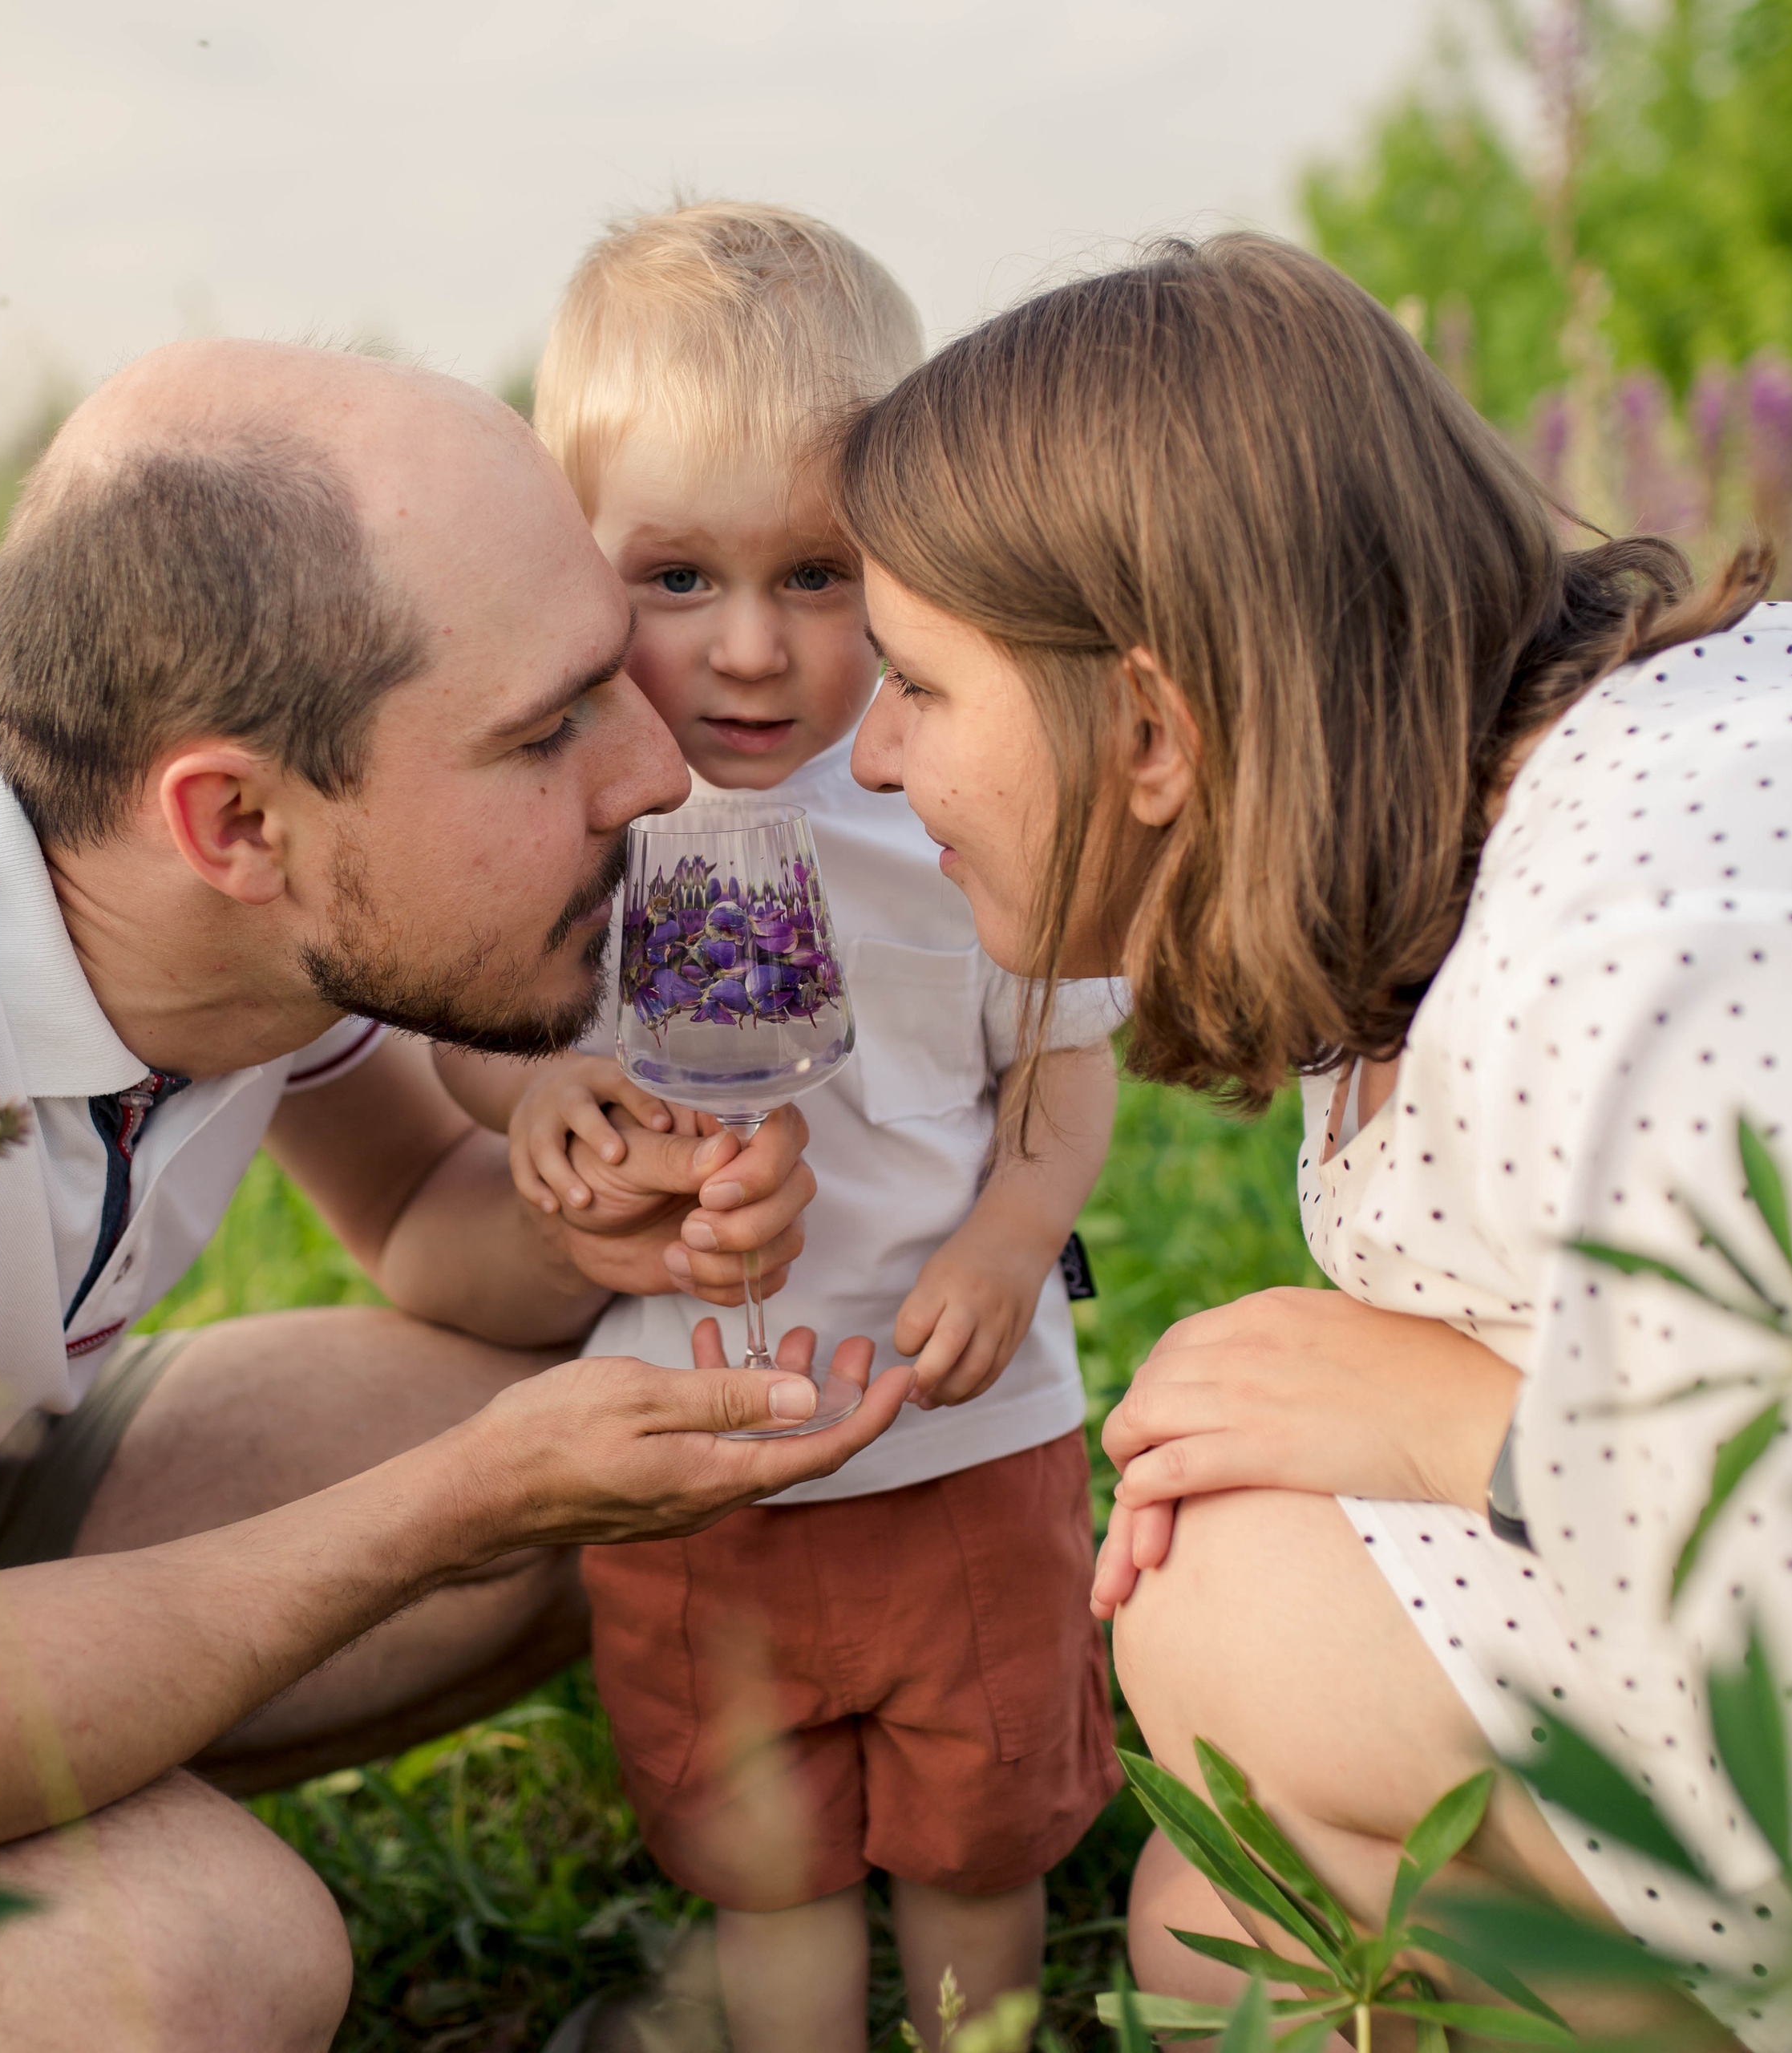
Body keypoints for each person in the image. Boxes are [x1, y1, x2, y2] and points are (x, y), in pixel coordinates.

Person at [0, 338, 916, 2052]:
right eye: (545, 732)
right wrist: (452, 1505)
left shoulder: (177, 843)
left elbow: (429, 1221)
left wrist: (581, 1209)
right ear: (232, 821)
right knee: (197, 1971)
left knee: (604, 1423)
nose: (653, 772)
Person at [832, 233, 1792, 2044]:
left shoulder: (1635, 965)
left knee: (1238, 1610)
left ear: (1146, 726)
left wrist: (1441, 1417)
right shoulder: (1498, 824)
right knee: (1212, 1932)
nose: (871, 757)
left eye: (916, 685)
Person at [434, 202, 1124, 2053]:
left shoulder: (954, 799)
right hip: (689, 1451)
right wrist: (544, 1098)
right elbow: (475, 1043)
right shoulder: (562, 828)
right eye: (673, 579)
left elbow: (1061, 1062)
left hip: (955, 1439)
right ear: (568, 563)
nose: (747, 650)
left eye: (816, 575)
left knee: (979, 1833)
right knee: (767, 1862)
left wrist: (1000, 1237)